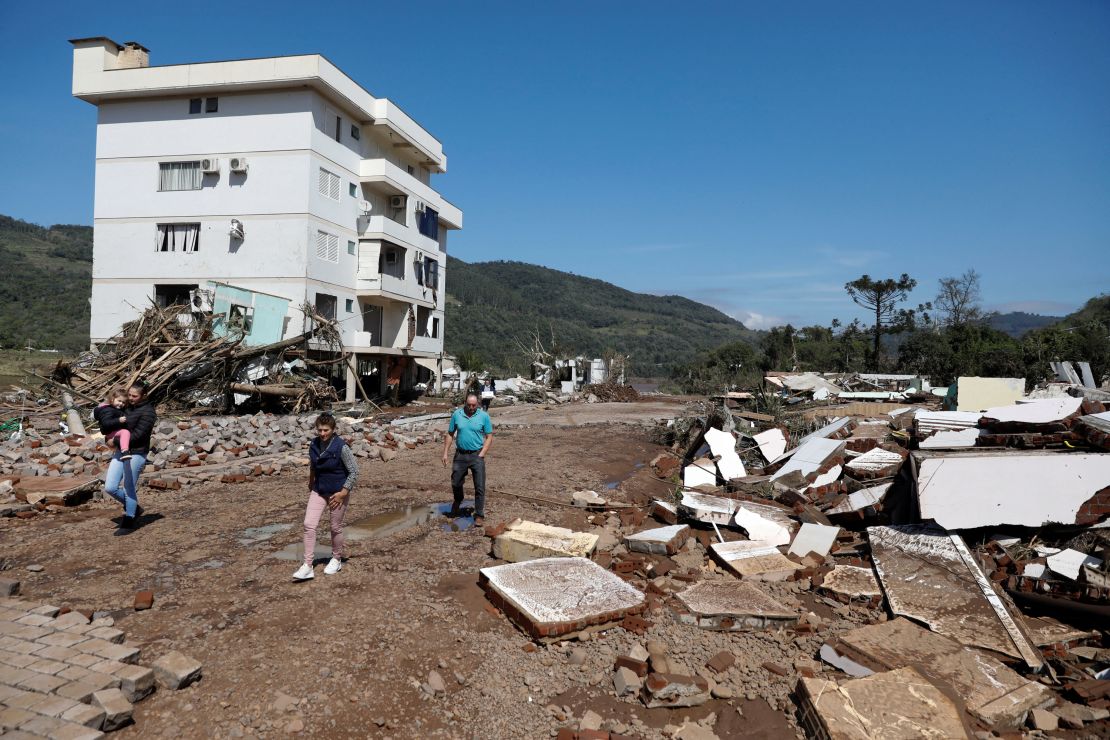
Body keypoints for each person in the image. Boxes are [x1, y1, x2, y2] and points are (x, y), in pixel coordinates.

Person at [294, 412, 359, 581]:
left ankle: (336, 559)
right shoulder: (314, 444)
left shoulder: (341, 447)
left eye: (326, 430)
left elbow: (354, 471)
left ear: (333, 429)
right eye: (320, 430)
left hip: (338, 492)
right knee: (309, 524)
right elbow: (313, 466)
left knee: (335, 527)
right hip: (319, 489)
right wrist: (311, 482)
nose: (322, 434)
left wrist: (343, 493)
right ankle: (308, 565)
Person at [103, 381, 156, 530]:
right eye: (129, 395)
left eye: (134, 396)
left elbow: (138, 435)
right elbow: (111, 425)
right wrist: (107, 438)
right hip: (121, 450)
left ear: (143, 395)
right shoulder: (126, 407)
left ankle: (130, 517)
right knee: (110, 487)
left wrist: (115, 441)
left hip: (137, 452)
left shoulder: (149, 412)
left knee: (128, 487)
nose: (130, 398)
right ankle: (135, 508)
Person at [441, 391, 493, 526]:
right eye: (469, 405)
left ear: (478, 404)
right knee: (456, 482)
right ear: (465, 403)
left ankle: (479, 514)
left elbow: (489, 436)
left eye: (474, 405)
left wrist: (483, 453)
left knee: (480, 486)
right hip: (460, 455)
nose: (471, 408)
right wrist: (445, 453)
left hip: (477, 455)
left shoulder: (484, 416)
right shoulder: (457, 415)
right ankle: (458, 500)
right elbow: (450, 434)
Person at [93, 387, 132, 460]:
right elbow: (105, 423)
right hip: (111, 432)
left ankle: (123, 450)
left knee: (125, 432)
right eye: (119, 401)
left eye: (123, 402)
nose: (121, 404)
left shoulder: (116, 409)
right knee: (125, 432)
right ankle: (125, 451)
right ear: (112, 399)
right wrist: (118, 420)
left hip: (115, 430)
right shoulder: (108, 410)